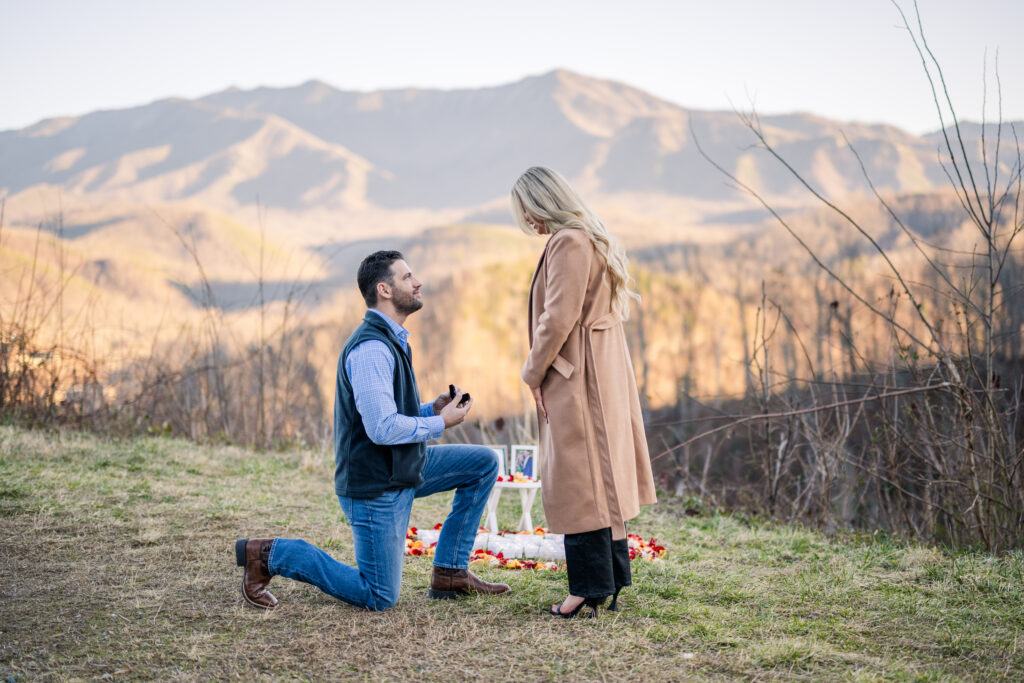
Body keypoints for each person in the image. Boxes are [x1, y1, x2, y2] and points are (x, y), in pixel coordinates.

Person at [234, 250, 510, 610]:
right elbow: (381, 429)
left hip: (400, 466)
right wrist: (440, 423)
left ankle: (450, 572)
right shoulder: (371, 348)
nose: (418, 282)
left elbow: (389, 415)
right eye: (407, 277)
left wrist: (432, 409)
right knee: (379, 595)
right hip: (375, 485)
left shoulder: (393, 339)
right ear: (384, 289)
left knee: (483, 464)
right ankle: (269, 554)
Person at [510, 167, 657, 618]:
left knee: (581, 482)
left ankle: (587, 591)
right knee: (599, 477)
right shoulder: (585, 237)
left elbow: (558, 318)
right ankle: (608, 583)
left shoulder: (568, 241)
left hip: (579, 378)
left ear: (542, 203)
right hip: (596, 371)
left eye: (527, 210)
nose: (527, 222)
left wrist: (532, 373)